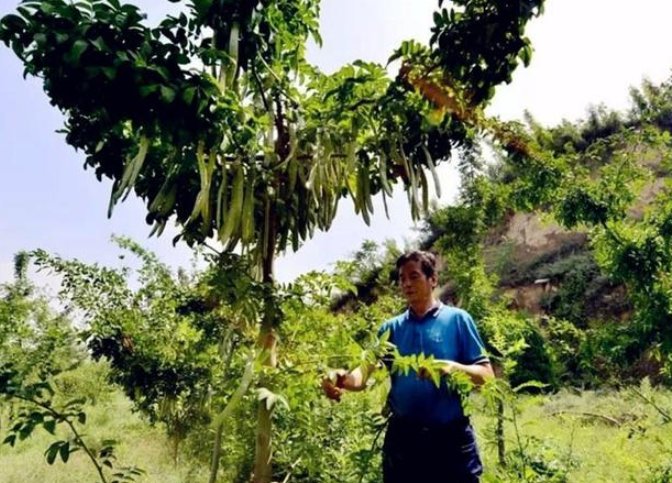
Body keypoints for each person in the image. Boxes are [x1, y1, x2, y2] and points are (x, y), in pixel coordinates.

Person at [322, 250, 494, 483]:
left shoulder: (458, 320)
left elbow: (487, 376)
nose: (406, 283)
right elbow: (362, 374)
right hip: (404, 441)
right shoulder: (390, 329)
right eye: (402, 278)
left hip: (451, 441)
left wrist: (451, 368)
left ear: (433, 279)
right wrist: (341, 379)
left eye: (414, 276)